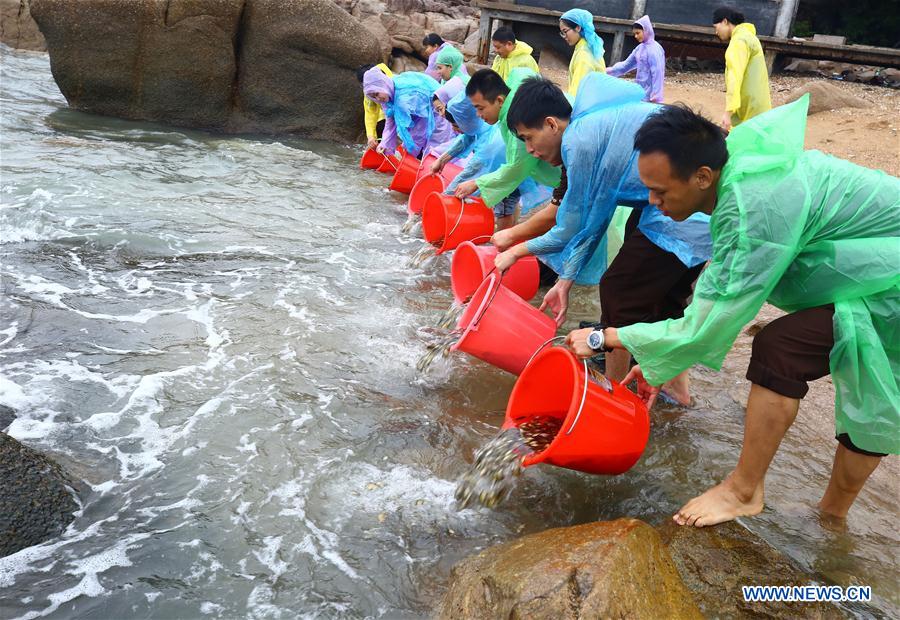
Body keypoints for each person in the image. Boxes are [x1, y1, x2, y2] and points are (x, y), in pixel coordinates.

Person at [565, 101, 899, 526]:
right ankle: (831, 521)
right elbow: (719, 284)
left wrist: (604, 337)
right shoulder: (738, 171)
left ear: (702, 177)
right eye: (647, 188)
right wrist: (661, 361)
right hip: (880, 272)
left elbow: (712, 317)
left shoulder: (751, 204)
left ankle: (743, 491)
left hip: (891, 283)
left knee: (780, 350)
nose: (652, 201)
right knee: (875, 384)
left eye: (661, 191)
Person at [499, 73, 711, 403]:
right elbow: (596, 215)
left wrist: (515, 251)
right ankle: (675, 390)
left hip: (686, 208)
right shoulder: (592, 126)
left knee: (618, 289)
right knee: (663, 296)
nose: (530, 150)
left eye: (529, 138)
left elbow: (572, 224)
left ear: (552, 124)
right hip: (693, 208)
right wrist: (566, 279)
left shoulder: (579, 140)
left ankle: (611, 398)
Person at [454, 68, 560, 232]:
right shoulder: (515, 95)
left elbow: (517, 167)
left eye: (480, 108)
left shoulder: (519, 121)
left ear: (499, 100)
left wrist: (477, 183)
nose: (478, 114)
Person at [431, 91, 551, 231]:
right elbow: (466, 139)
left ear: (466, 121)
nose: (454, 130)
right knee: (510, 201)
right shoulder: (485, 123)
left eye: (456, 126)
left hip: (513, 168)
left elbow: (467, 177)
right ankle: (509, 232)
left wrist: (443, 201)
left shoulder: (488, 146)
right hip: (521, 165)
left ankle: (503, 243)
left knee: (505, 203)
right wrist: (442, 160)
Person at [362, 68, 456, 158]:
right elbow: (390, 121)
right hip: (425, 112)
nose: (377, 99)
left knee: (437, 150)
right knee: (418, 148)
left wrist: (410, 151)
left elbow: (421, 127)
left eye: (377, 94)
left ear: (383, 84)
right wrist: (385, 144)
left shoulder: (403, 99)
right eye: (373, 96)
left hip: (440, 110)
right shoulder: (388, 93)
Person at [713, 6, 771, 131]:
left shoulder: (738, 41)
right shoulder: (749, 37)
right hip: (759, 103)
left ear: (725, 21)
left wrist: (728, 112)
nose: (716, 32)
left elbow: (735, 76)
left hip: (748, 106)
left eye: (716, 27)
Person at [607, 15, 665, 103]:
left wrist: (656, 96)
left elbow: (657, 73)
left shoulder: (654, 50)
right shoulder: (639, 48)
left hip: (650, 95)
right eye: (634, 34)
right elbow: (626, 65)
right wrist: (608, 72)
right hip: (639, 91)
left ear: (646, 30)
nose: (635, 36)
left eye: (638, 33)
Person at [559, 8, 606, 97]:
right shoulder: (589, 46)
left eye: (565, 31)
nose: (564, 36)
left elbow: (577, 91)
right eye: (562, 33)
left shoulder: (584, 54)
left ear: (578, 27)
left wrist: (570, 108)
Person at [356, 63, 394, 150]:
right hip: (384, 119)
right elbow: (370, 113)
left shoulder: (394, 84)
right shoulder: (369, 93)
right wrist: (371, 136)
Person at [432, 45, 470, 116]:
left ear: (450, 67)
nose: (437, 72)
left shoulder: (459, 83)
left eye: (440, 68)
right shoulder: (445, 80)